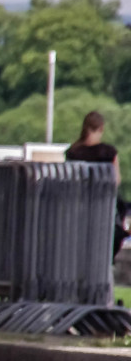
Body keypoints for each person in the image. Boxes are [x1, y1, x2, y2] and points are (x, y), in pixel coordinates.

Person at [65, 110, 126, 257]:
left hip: (77, 206)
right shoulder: (109, 152)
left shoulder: (72, 152)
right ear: (101, 129)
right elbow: (116, 180)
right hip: (103, 206)